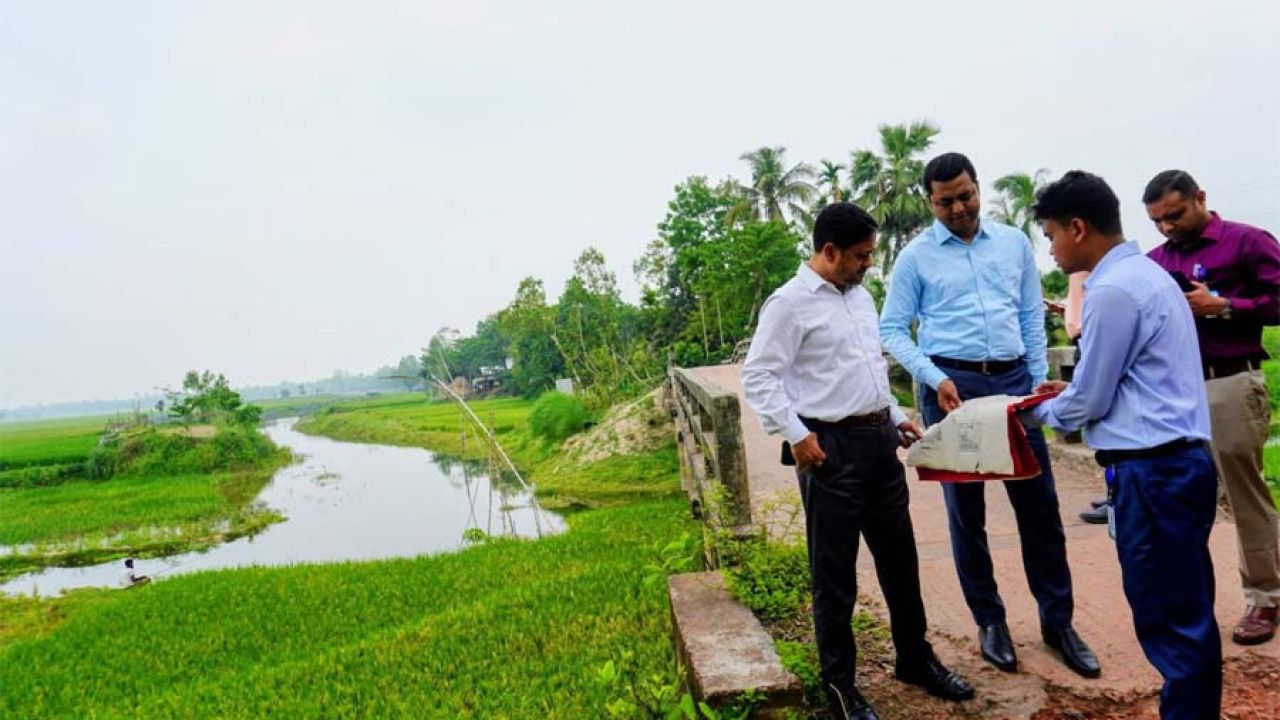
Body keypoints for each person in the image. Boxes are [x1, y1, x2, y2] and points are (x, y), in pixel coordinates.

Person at [743, 203, 972, 720]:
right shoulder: (789, 304)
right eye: (862, 256)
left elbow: (868, 367)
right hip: (829, 453)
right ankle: (841, 687)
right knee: (835, 575)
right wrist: (797, 435)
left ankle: (914, 658)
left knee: (901, 562)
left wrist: (895, 415)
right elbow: (758, 376)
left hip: (878, 446)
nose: (870, 264)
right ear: (830, 252)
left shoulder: (861, 297)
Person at [880, 152, 1098, 677]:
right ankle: (990, 621)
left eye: (965, 195)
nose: (958, 208)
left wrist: (1032, 378)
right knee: (967, 513)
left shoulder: (1014, 244)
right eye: (945, 201)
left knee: (1039, 508)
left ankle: (1058, 621)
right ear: (929, 202)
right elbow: (890, 329)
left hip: (1012, 384)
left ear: (978, 187)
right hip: (952, 386)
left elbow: (1028, 314)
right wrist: (936, 379)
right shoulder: (915, 258)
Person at [1025, 170, 1220, 720]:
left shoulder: (1110, 290)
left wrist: (1031, 410)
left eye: (1052, 235)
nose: (1053, 249)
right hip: (1176, 464)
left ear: (1078, 228)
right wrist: (1075, 390)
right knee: (1187, 607)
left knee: (1168, 615)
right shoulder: (1149, 276)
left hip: (1153, 473)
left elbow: (1088, 403)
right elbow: (1127, 381)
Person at [1144, 169, 1280, 645]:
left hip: (1229, 382)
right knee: (1181, 498)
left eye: (1175, 215)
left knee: (1244, 495)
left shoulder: (1246, 241)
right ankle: (1188, 601)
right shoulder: (1155, 261)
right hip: (1174, 394)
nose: (1167, 228)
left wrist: (1222, 305)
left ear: (1200, 198)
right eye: (1158, 221)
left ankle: (1265, 598)